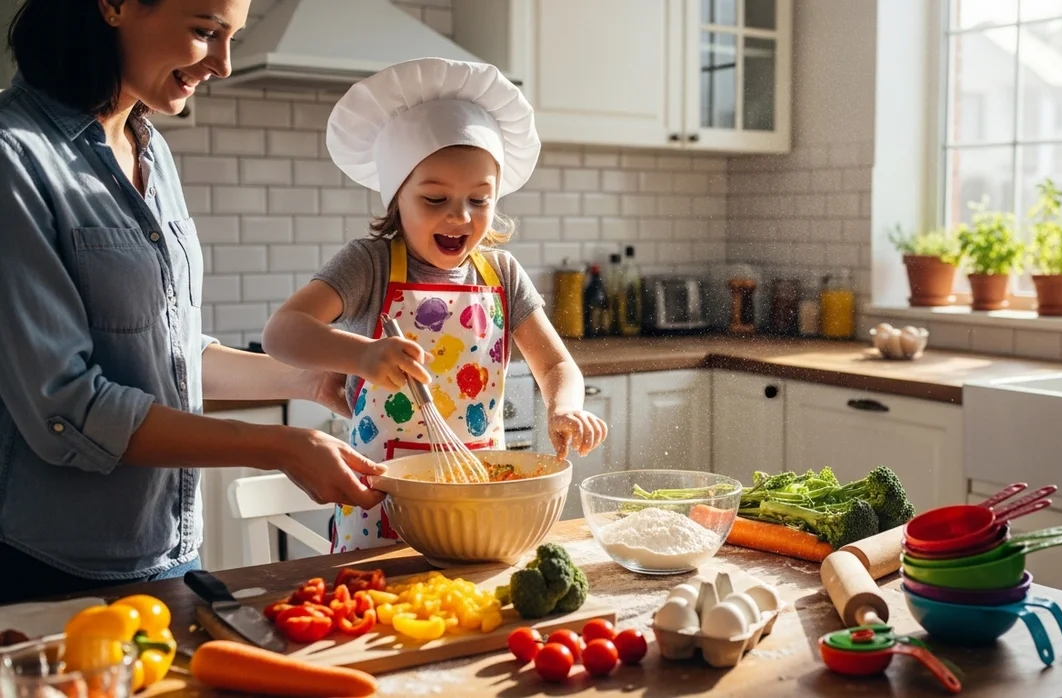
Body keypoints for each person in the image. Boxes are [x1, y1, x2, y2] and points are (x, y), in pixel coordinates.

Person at [0, 0, 388, 604]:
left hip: (172, 554)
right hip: (54, 573)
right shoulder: (14, 157)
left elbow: (170, 351)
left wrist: (310, 380)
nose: (224, 65)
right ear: (114, 5)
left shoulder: (150, 150)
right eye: (206, 31)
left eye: (233, 37)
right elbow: (67, 407)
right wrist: (276, 446)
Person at [261, 57, 608, 553]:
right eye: (434, 199)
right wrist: (361, 355)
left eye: (479, 200)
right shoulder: (370, 264)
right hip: (382, 504)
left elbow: (555, 364)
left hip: (477, 493)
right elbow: (282, 332)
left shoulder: (502, 273)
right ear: (397, 197)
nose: (460, 216)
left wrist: (565, 407)